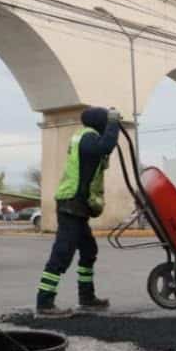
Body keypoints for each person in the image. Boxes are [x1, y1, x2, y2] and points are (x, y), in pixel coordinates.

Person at [36, 107, 121, 317]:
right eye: (105, 121)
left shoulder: (86, 137)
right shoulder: (88, 138)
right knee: (63, 252)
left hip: (77, 205)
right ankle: (44, 302)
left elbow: (103, 150)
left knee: (89, 250)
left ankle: (87, 298)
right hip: (71, 203)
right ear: (100, 122)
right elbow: (106, 146)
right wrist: (113, 122)